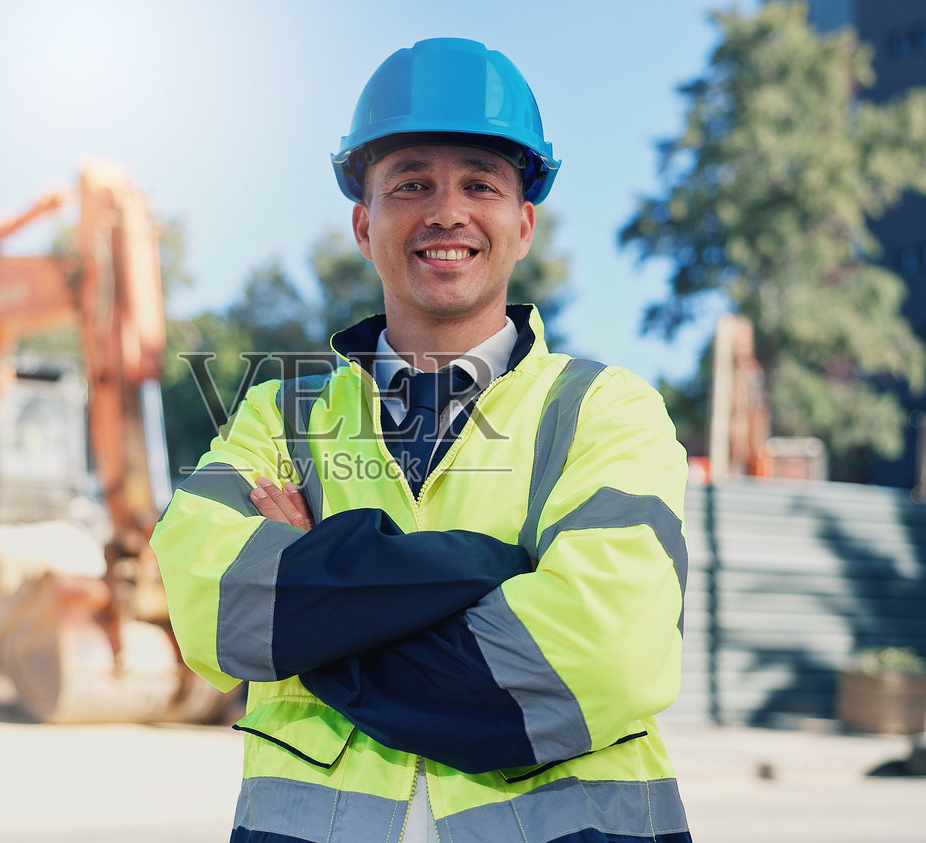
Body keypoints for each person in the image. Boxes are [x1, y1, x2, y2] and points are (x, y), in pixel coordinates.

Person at [151, 37, 692, 843]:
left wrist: (323, 609)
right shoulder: (278, 416)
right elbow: (210, 606)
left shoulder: (605, 411)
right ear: (365, 225)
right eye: (412, 184)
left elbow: (607, 650)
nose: (447, 211)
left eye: (480, 183)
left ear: (523, 223)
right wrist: (483, 567)